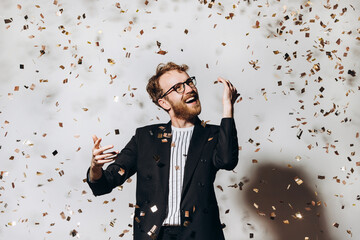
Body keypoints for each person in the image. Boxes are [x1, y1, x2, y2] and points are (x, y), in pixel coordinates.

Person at [86, 62, 239, 240]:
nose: (189, 89)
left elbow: (227, 161)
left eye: (189, 82)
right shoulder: (145, 138)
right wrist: (95, 167)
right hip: (155, 235)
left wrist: (228, 108)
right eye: (178, 87)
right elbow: (105, 184)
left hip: (201, 234)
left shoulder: (212, 134)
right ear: (164, 102)